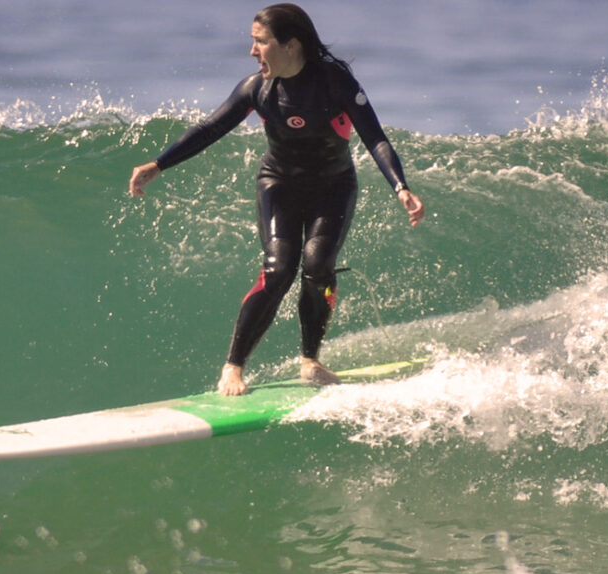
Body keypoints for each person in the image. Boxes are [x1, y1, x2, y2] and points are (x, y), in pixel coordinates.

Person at [128, 3, 424, 396]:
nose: (253, 51)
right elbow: (210, 127)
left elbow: (375, 136)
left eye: (261, 42)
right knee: (278, 270)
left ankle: (310, 361)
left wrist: (400, 186)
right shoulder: (258, 89)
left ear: (291, 46)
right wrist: (159, 164)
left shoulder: (335, 82)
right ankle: (232, 368)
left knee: (319, 266)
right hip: (279, 184)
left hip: (333, 185)